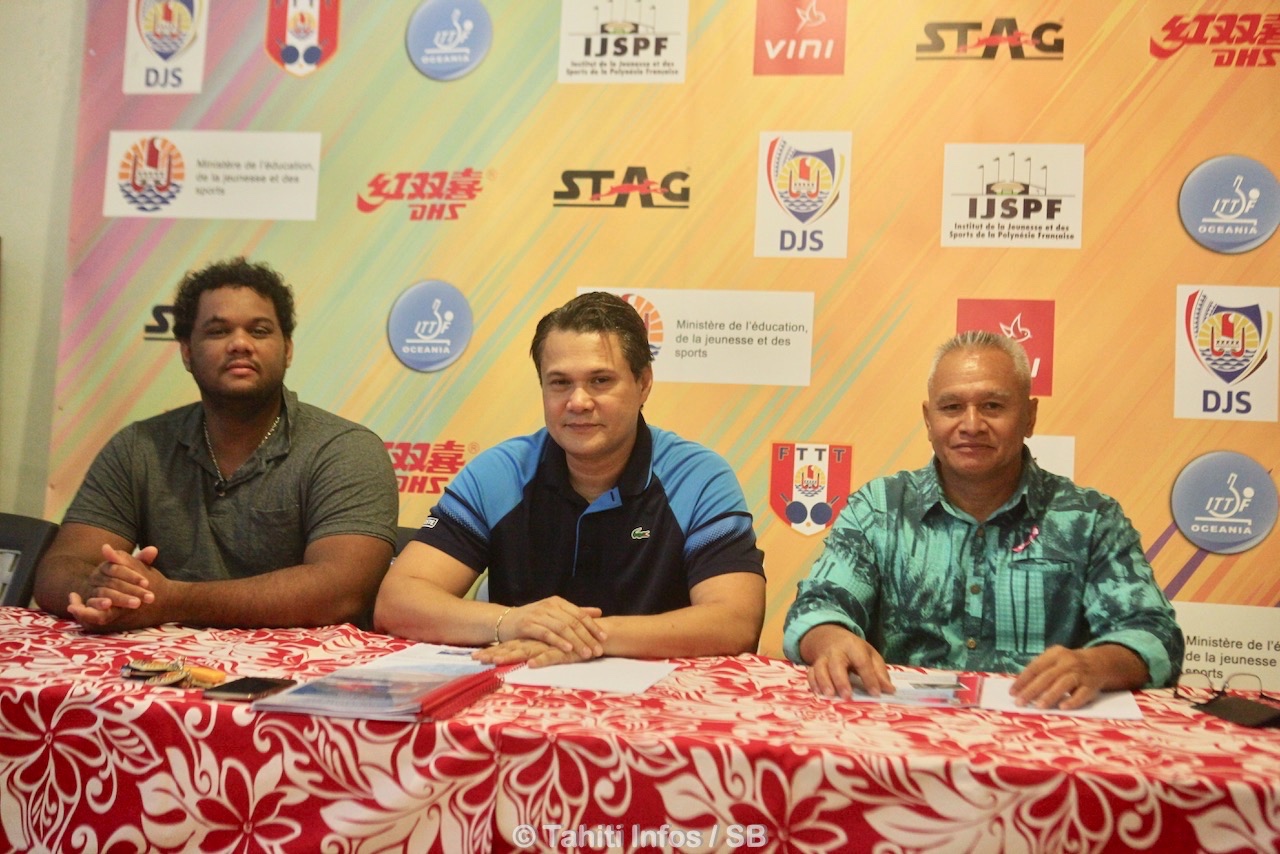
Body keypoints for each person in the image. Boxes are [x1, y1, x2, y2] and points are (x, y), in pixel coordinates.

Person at [784, 330, 1183, 710]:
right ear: (928, 419)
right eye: (951, 407)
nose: (971, 425)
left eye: (992, 406)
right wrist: (829, 640)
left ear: (1029, 416)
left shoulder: (1089, 519)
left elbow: (1155, 634)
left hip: (1044, 734)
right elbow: (816, 607)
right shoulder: (880, 508)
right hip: (900, 732)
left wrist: (1095, 665)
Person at [375, 291, 766, 666]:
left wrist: (584, 638)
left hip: (659, 701)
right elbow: (397, 601)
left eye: (600, 380)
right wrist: (510, 622)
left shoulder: (698, 478)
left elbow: (735, 622)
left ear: (643, 383)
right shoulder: (500, 473)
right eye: (560, 382)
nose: (578, 402)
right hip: (521, 694)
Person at [34, 257, 398, 632]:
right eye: (218, 331)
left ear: (287, 349)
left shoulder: (344, 449)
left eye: (259, 331)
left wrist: (171, 600)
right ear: (186, 352)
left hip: (308, 665)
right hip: (163, 662)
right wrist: (102, 590)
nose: (240, 344)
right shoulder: (139, 447)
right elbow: (57, 569)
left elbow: (340, 592)